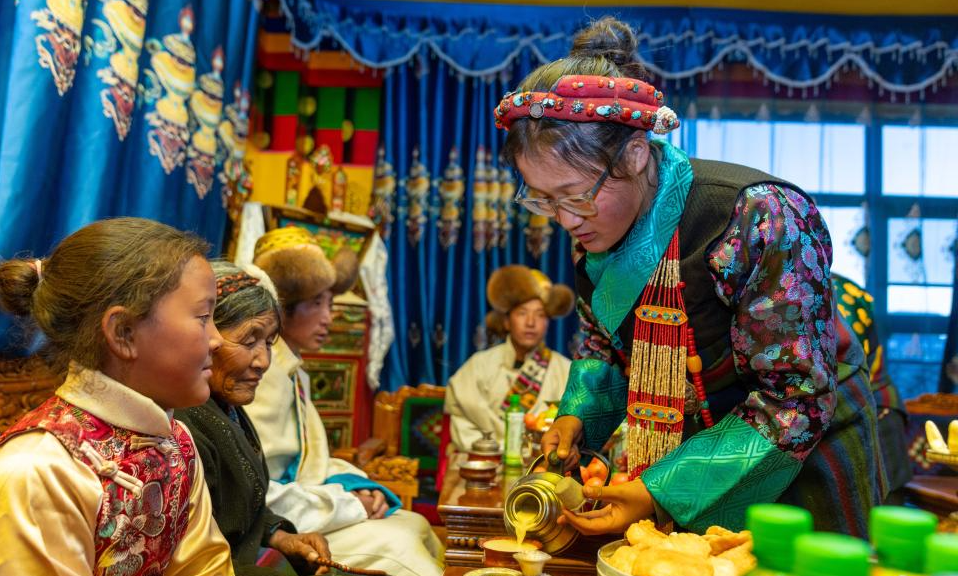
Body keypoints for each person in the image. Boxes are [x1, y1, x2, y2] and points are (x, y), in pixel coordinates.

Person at [494, 17, 885, 537]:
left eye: (576, 195)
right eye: (543, 200)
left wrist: (658, 492)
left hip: (800, 462)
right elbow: (606, 347)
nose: (565, 219)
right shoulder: (594, 230)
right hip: (688, 461)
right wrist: (576, 421)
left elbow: (795, 399)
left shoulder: (757, 217)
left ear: (636, 154)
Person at [0, 217, 235, 574]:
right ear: (123, 333)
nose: (217, 340)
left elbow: (205, 564)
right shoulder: (37, 473)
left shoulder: (174, 442)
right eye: (203, 316)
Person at [246, 227, 443, 576]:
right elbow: (261, 490)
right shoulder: (263, 376)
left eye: (331, 303)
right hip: (278, 530)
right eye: (316, 303)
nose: (329, 317)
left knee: (416, 524)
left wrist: (359, 485)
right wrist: (350, 504)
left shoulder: (292, 370)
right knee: (401, 547)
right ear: (282, 306)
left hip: (309, 508)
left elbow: (308, 463)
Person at [175, 260, 332, 576]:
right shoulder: (181, 426)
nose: (263, 361)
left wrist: (280, 536)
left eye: (269, 343)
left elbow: (243, 508)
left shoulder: (226, 408)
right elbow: (195, 559)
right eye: (249, 342)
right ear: (206, 337)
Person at [445, 264, 574, 452]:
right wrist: (502, 448)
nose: (530, 322)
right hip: (484, 458)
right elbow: (462, 422)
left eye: (540, 315)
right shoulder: (479, 365)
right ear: (506, 321)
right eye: (522, 313)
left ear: (547, 323)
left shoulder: (565, 370)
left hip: (541, 462)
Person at [832, 273, 911, 505]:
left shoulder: (836, 291)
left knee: (883, 513)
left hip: (876, 411)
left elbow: (843, 355)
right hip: (849, 401)